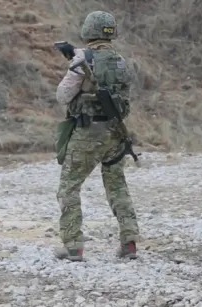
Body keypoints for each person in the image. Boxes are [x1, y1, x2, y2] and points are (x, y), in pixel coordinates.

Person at [53, 11, 140, 261]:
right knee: (117, 186)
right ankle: (130, 242)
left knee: (68, 188)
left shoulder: (83, 61)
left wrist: (76, 62)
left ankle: (73, 246)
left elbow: (63, 96)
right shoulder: (121, 61)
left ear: (88, 31)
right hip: (115, 133)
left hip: (88, 132)